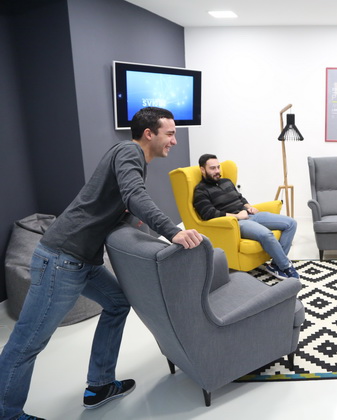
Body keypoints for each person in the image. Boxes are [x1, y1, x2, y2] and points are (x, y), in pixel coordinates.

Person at [0, 107, 203, 420]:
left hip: (83, 260)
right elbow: (135, 195)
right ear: (149, 133)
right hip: (62, 259)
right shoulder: (129, 152)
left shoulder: (132, 159)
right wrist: (172, 231)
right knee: (27, 341)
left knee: (118, 303)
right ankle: (7, 413)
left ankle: (100, 386)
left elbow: (122, 204)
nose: (174, 141)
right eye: (171, 133)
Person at [193, 154, 299, 280]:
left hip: (250, 214)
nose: (217, 171)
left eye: (218, 167)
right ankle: (286, 266)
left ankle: (275, 265)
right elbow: (208, 214)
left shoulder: (226, 182)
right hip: (236, 222)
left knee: (291, 223)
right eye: (212, 168)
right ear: (202, 169)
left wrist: (249, 207)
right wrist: (237, 216)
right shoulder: (201, 191)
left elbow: (240, 198)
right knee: (266, 234)